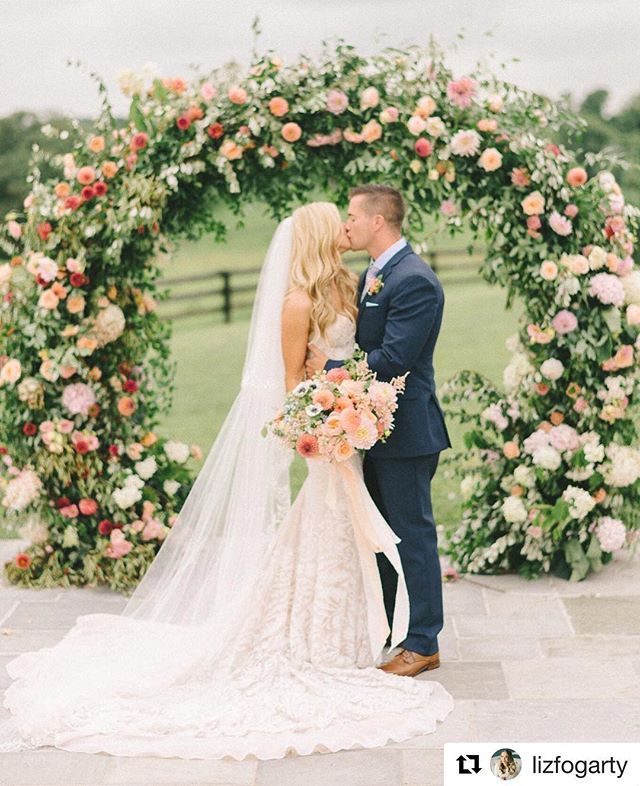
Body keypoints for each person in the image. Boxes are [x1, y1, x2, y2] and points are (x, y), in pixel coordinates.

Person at [0, 202, 453, 761]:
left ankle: (405, 638)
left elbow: (382, 357)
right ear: (317, 236)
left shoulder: (375, 282)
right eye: (338, 222)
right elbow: (295, 379)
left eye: (351, 218)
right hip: (344, 434)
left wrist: (337, 391)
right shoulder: (310, 297)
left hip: (375, 430)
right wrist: (325, 414)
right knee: (347, 534)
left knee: (395, 531)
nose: (346, 228)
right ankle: (350, 635)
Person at [306, 185, 452, 678]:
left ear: (377, 222)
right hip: (374, 429)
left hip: (408, 430)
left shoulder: (414, 280)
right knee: (379, 537)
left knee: (412, 535)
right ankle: (383, 631)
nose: (345, 225)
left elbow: (392, 361)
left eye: (351, 217)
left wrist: (325, 367)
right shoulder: (376, 272)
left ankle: (424, 641)